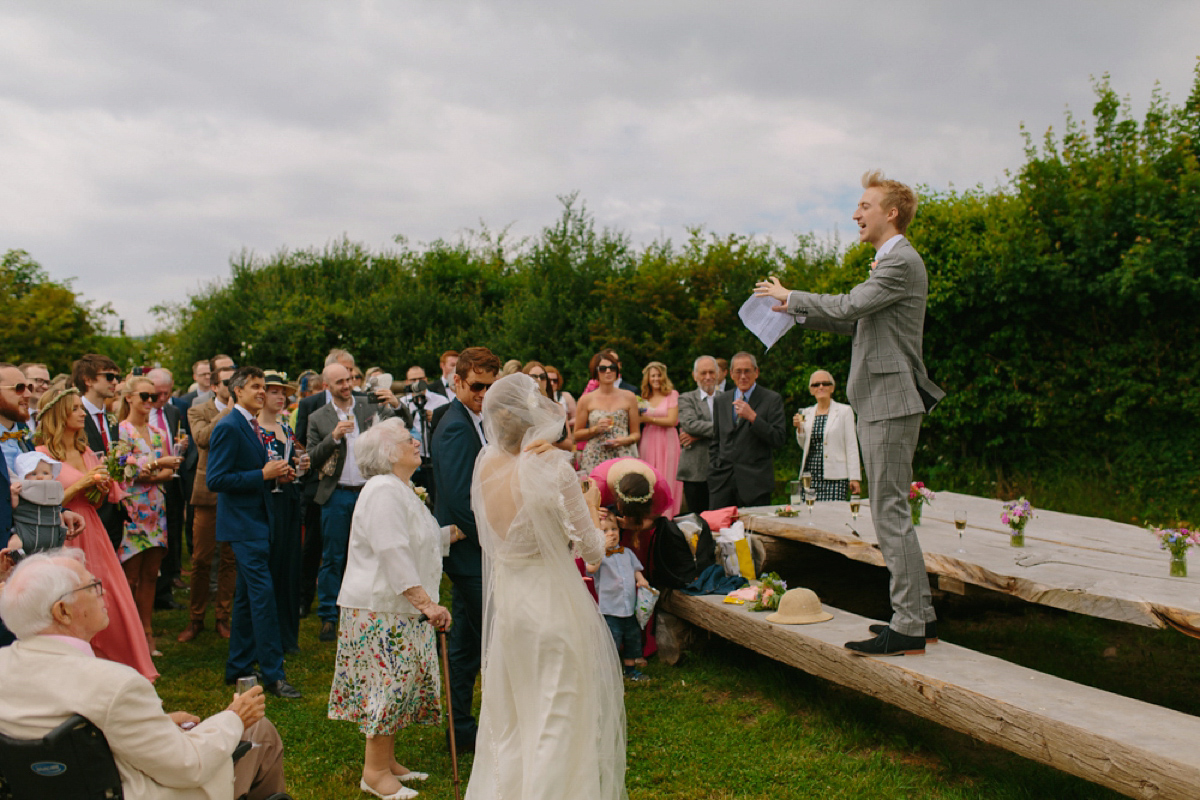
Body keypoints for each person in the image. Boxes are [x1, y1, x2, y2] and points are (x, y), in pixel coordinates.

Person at [754, 169, 946, 657]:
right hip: (884, 400)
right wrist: (793, 311)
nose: (855, 213)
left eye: (864, 205)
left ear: (892, 212)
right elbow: (855, 321)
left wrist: (793, 296)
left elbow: (849, 306)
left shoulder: (899, 261)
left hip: (890, 400)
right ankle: (919, 618)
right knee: (891, 511)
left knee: (889, 513)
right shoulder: (889, 263)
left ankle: (907, 624)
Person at [0, 549, 287, 800]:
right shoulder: (115, 684)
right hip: (137, 789)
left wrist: (157, 723)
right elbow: (188, 766)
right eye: (92, 587)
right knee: (259, 731)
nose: (104, 593)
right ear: (62, 611)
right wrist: (235, 716)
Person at [467, 373, 626, 799]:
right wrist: (591, 503)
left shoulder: (485, 465)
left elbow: (490, 540)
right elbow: (593, 551)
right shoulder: (554, 468)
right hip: (554, 607)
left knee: (515, 718)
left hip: (512, 610)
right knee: (557, 718)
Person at [328, 419, 462, 800]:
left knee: (400, 686)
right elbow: (392, 550)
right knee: (385, 688)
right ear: (389, 453)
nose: (417, 442)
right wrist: (426, 603)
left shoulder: (399, 488)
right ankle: (373, 773)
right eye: (408, 440)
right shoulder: (382, 489)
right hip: (381, 609)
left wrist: (456, 532)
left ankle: (388, 762)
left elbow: (416, 539)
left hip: (398, 608)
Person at [32, 386, 156, 679]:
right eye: (75, 408)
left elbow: (95, 502)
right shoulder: (41, 455)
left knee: (110, 598)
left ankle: (121, 668)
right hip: (63, 535)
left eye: (80, 407)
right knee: (72, 601)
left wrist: (97, 490)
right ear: (59, 413)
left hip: (93, 531)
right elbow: (42, 502)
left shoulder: (85, 451)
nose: (81, 413)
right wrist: (79, 484)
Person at [207, 366, 301, 698]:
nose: (262, 392)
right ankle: (274, 675)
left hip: (261, 518)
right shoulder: (230, 426)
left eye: (264, 387)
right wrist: (262, 475)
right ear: (237, 391)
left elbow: (253, 472)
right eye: (256, 387)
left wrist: (277, 475)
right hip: (244, 525)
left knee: (248, 598)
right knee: (263, 597)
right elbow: (215, 480)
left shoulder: (252, 425)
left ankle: (238, 667)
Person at [431, 345, 499, 753]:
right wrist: (495, 541)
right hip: (468, 552)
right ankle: (468, 725)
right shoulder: (456, 425)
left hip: (476, 549)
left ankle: (460, 727)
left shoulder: (478, 418)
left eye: (491, 387)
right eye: (477, 386)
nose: (484, 394)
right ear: (457, 381)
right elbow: (458, 501)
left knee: (467, 643)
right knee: (492, 634)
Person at [307, 362, 401, 642]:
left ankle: (373, 608)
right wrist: (333, 437)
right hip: (336, 494)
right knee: (334, 556)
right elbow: (311, 460)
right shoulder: (318, 417)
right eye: (339, 382)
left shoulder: (367, 406)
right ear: (327, 387)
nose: (346, 385)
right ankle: (328, 615)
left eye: (348, 380)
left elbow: (399, 424)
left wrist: (396, 404)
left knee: (375, 551)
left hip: (370, 491)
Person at [117, 375, 182, 659]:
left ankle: (147, 630)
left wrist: (151, 470)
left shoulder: (158, 433)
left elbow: (170, 472)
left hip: (156, 509)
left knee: (151, 575)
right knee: (130, 576)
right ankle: (130, 635)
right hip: (131, 509)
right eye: (143, 396)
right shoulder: (121, 431)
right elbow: (126, 472)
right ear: (129, 397)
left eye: (152, 397)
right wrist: (156, 467)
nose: (149, 402)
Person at [179, 355, 237, 643]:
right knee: (201, 559)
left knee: (229, 559)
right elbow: (203, 439)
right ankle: (196, 617)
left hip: (235, 492)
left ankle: (223, 617)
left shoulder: (246, 411)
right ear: (215, 386)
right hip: (207, 494)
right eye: (228, 381)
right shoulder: (198, 410)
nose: (234, 385)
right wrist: (228, 412)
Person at [257, 371, 306, 654]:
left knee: (290, 566)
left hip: (288, 498)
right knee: (271, 567)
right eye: (273, 391)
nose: (280, 397)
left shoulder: (285, 428)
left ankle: (289, 635)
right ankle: (269, 635)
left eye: (282, 392)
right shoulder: (255, 429)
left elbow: (295, 455)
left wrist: (302, 463)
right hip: (267, 502)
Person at [706, 352, 787, 508]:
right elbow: (716, 440)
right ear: (731, 374)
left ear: (756, 372)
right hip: (722, 482)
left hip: (755, 484)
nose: (743, 376)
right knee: (718, 531)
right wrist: (714, 468)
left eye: (747, 371)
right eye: (738, 371)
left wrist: (753, 418)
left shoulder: (771, 399)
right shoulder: (721, 400)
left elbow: (778, 438)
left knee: (753, 531)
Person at [587, 512, 650, 682]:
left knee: (632, 640)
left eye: (614, 529)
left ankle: (630, 670)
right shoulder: (598, 556)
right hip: (610, 610)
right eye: (605, 531)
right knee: (611, 644)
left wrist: (641, 580)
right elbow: (591, 569)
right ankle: (609, 674)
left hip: (629, 609)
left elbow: (635, 569)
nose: (611, 534)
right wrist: (600, 548)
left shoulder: (627, 553)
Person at [73, 353, 125, 550]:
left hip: (113, 507)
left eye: (117, 378)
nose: (115, 383)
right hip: (87, 505)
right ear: (88, 380)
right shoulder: (75, 415)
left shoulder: (111, 418)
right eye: (109, 377)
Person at [148, 368, 186, 612]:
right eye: (157, 393)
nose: (162, 398)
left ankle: (165, 588)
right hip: (147, 480)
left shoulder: (172, 411)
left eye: (166, 393)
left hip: (172, 479)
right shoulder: (141, 413)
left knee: (171, 531)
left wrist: (181, 445)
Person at [794, 370, 862, 501]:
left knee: (833, 517)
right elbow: (804, 446)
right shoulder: (806, 413)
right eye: (816, 384)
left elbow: (851, 445)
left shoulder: (844, 411)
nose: (821, 387)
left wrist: (854, 477)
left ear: (832, 388)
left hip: (835, 477)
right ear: (811, 390)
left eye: (825, 383)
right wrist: (799, 429)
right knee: (810, 516)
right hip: (810, 476)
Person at [575, 349, 641, 474]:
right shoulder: (586, 400)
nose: (608, 371)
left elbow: (636, 433)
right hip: (595, 456)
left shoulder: (629, 397)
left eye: (612, 367)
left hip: (622, 454)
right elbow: (577, 435)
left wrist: (625, 440)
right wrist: (595, 429)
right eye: (603, 368)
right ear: (596, 371)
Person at [637, 361, 682, 517]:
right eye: (652, 376)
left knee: (668, 474)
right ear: (648, 378)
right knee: (649, 475)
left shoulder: (672, 394)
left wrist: (647, 420)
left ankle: (668, 515)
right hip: (649, 438)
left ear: (664, 376)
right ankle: (650, 514)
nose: (656, 379)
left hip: (667, 439)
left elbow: (672, 421)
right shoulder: (643, 397)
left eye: (658, 375)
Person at [677, 356, 719, 514]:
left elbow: (736, 428)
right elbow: (689, 424)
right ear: (695, 376)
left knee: (722, 517)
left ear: (718, 374)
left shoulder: (727, 398)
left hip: (722, 469)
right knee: (697, 519)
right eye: (703, 373)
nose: (708, 377)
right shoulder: (686, 398)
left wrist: (699, 436)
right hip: (695, 469)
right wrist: (722, 428)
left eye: (711, 372)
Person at [543, 364, 576, 432]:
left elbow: (576, 418)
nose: (552, 383)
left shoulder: (566, 396)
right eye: (549, 380)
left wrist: (565, 424)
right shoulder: (538, 397)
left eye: (555, 380)